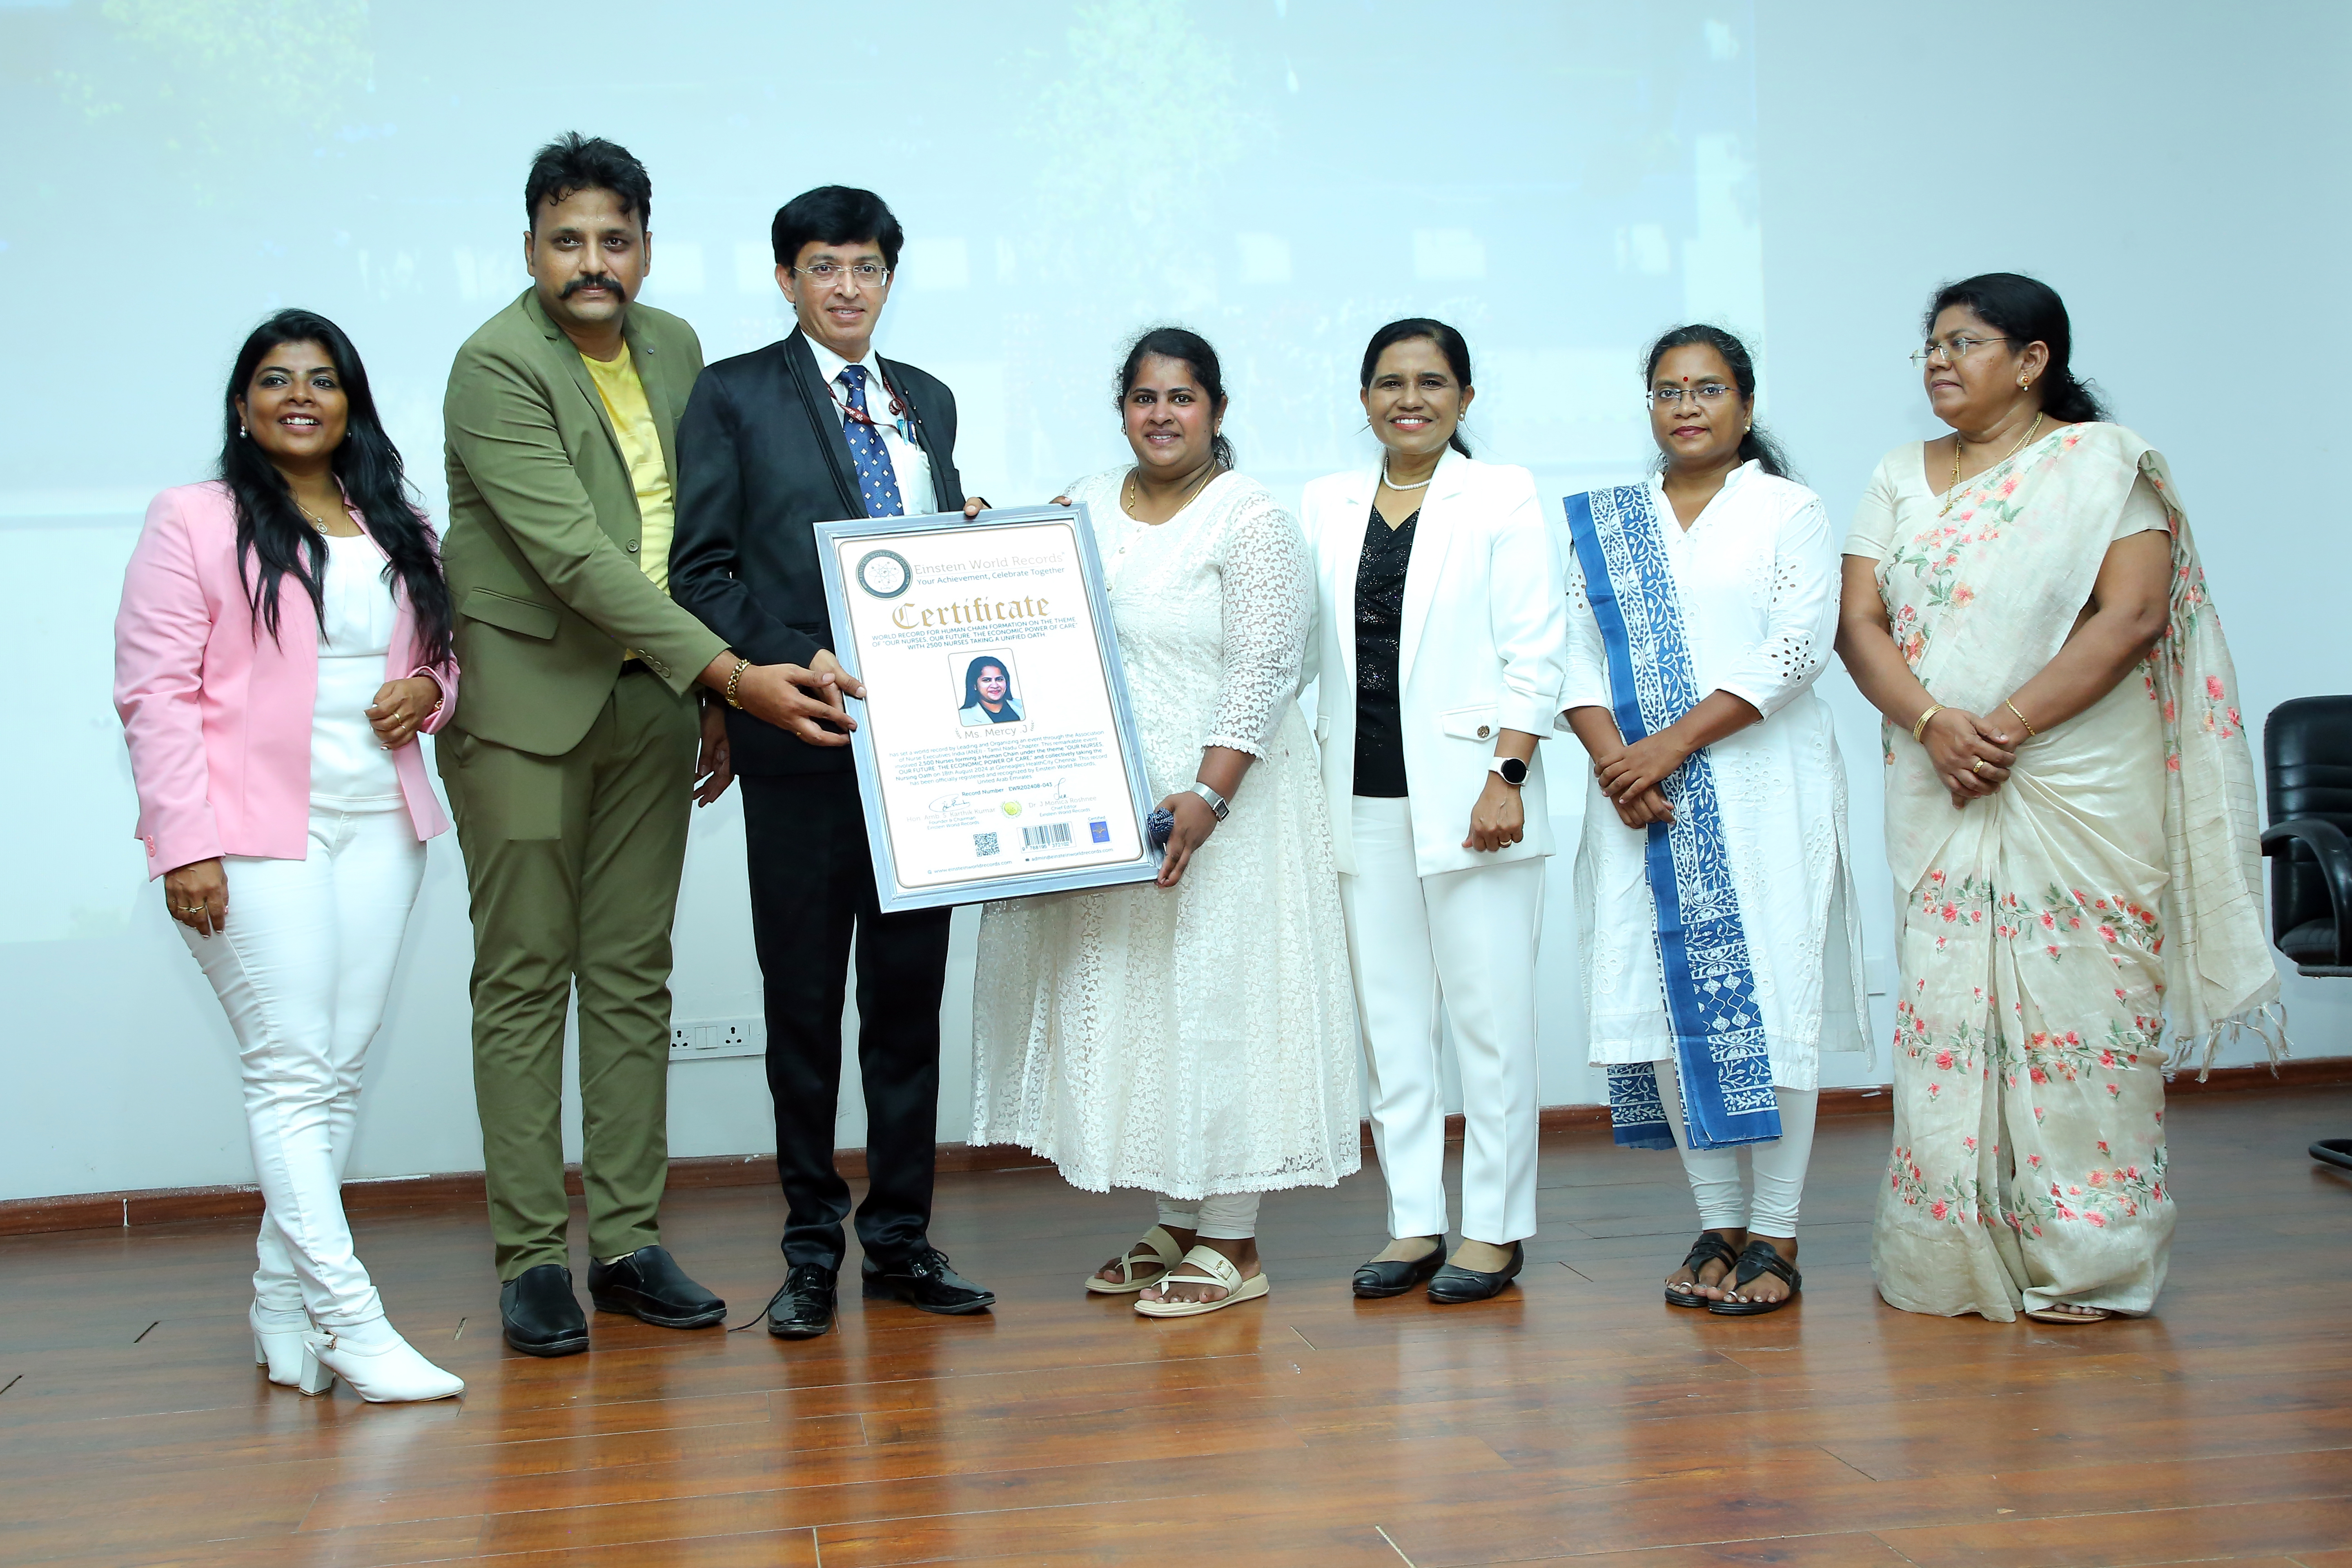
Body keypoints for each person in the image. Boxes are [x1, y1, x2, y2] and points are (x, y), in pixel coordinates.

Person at [441, 134, 853, 1357]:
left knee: (632, 975)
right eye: (567, 239)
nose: (592, 262)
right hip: (527, 705)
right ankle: (528, 1255)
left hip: (652, 705)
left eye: (614, 239)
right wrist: (730, 672)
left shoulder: (673, 348)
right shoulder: (494, 366)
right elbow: (572, 556)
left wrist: (707, 694)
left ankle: (624, 1239)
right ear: (530, 248)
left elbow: (695, 536)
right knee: (524, 977)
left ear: (646, 248)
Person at [1838, 273, 2276, 1323]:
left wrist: (2004, 726)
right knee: (1945, 1005)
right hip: (1937, 773)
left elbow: (2127, 618)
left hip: (2074, 779)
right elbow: (1858, 621)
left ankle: (2089, 1255)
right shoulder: (1899, 473)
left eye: (1965, 343)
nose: (1939, 361)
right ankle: (1951, 1251)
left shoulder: (2102, 467)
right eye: (1929, 347)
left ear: (2032, 360)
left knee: (2082, 1007)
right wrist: (1938, 724)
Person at [968, 327, 1360, 1318]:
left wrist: (1209, 795)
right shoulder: (1085, 502)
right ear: (1122, 407)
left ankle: (1234, 1240)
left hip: (1225, 801)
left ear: (1215, 410)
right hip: (1110, 807)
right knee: (1153, 1007)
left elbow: (1264, 672)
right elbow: (1024, 603)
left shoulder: (1250, 519)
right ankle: (1177, 1221)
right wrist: (975, 547)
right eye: (1143, 397)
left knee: (1220, 1005)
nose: (1160, 414)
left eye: (1180, 398)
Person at [114, 311, 464, 1401]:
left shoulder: (397, 519)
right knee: (291, 1070)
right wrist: (185, 844)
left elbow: (441, 658)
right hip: (252, 833)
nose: (299, 396)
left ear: (350, 400)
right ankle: (351, 1321)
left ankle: (280, 1307)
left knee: (335, 1070)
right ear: (242, 405)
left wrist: (431, 694)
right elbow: (153, 692)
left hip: (381, 824)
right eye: (276, 380)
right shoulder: (194, 518)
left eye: (322, 379)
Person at [671, 185, 996, 1341]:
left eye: (865, 267)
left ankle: (900, 1242)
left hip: (925, 759)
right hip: (803, 740)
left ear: (889, 278)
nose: (846, 287)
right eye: (822, 267)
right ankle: (811, 1250)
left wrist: (980, 550)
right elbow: (700, 569)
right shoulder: (735, 393)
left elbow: (918, 561)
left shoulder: (928, 402)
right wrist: (775, 664)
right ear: (786, 279)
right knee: (803, 1008)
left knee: (906, 1011)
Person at [1561, 324, 1870, 1316]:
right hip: (1634, 795)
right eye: (1665, 390)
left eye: (1705, 388)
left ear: (1742, 403)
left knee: (1768, 1000)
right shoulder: (1609, 520)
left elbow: (1794, 651)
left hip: (1755, 783)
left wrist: (1668, 745)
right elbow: (1569, 655)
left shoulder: (1787, 509)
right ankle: (1715, 1219)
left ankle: (1775, 1230)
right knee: (1655, 994)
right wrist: (1620, 761)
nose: (1684, 406)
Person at [1298, 319, 1566, 1304]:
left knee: (1489, 1025)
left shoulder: (1499, 494)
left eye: (1430, 381)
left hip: (1470, 800)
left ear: (1462, 395)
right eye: (1387, 382)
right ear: (1362, 396)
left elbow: (1535, 646)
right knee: (1391, 1025)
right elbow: (1297, 651)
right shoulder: (1324, 502)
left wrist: (1509, 772)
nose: (1407, 398)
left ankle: (1493, 1229)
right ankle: (1413, 1220)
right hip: (1358, 801)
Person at [959, 657, 1025, 726]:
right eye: (987, 680)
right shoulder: (963, 718)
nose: (995, 686)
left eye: (999, 679)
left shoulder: (1023, 706)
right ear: (974, 685)